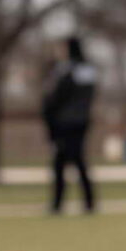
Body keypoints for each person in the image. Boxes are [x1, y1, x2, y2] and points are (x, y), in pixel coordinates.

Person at [42, 36, 97, 214]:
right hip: (80, 123)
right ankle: (87, 202)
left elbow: (54, 97)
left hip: (66, 124)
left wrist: (49, 116)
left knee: (62, 163)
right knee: (77, 162)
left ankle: (58, 204)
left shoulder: (66, 70)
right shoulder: (87, 70)